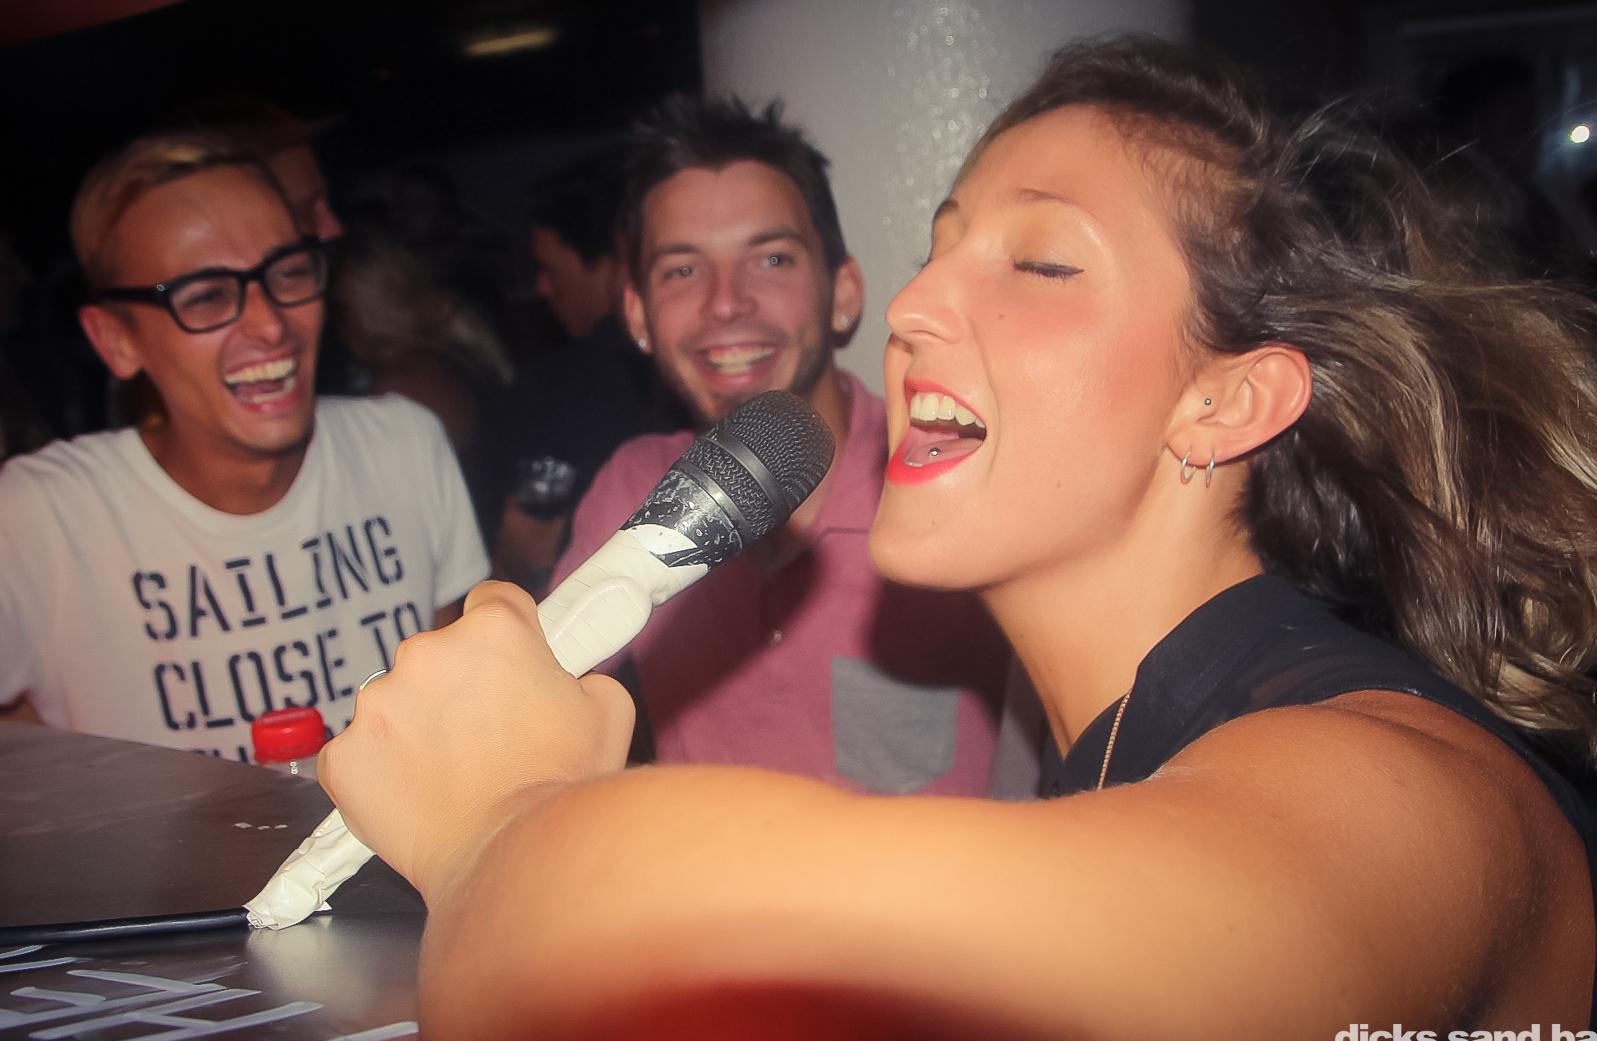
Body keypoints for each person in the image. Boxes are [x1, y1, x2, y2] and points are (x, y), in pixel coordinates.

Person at [321, 37, 1597, 1041]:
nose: (911, 306)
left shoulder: (1388, 786)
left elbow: (660, 966)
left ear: (1226, 400)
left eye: (1040, 262)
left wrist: (502, 822)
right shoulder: (1120, 747)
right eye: (938, 248)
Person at [545, 96, 1021, 794]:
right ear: (638, 316)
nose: (726, 302)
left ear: (842, 293)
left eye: (771, 258)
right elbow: (536, 714)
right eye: (682, 270)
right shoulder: (632, 488)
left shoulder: (955, 477)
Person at [0, 131, 488, 762]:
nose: (270, 324)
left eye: (288, 272)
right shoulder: (39, 519)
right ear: (116, 340)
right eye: (206, 295)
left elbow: (471, 707)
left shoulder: (403, 446)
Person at [487, 148, 683, 593]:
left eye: (547, 268)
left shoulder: (558, 386)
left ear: (611, 262)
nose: (541, 287)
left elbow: (529, 549)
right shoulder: (686, 374)